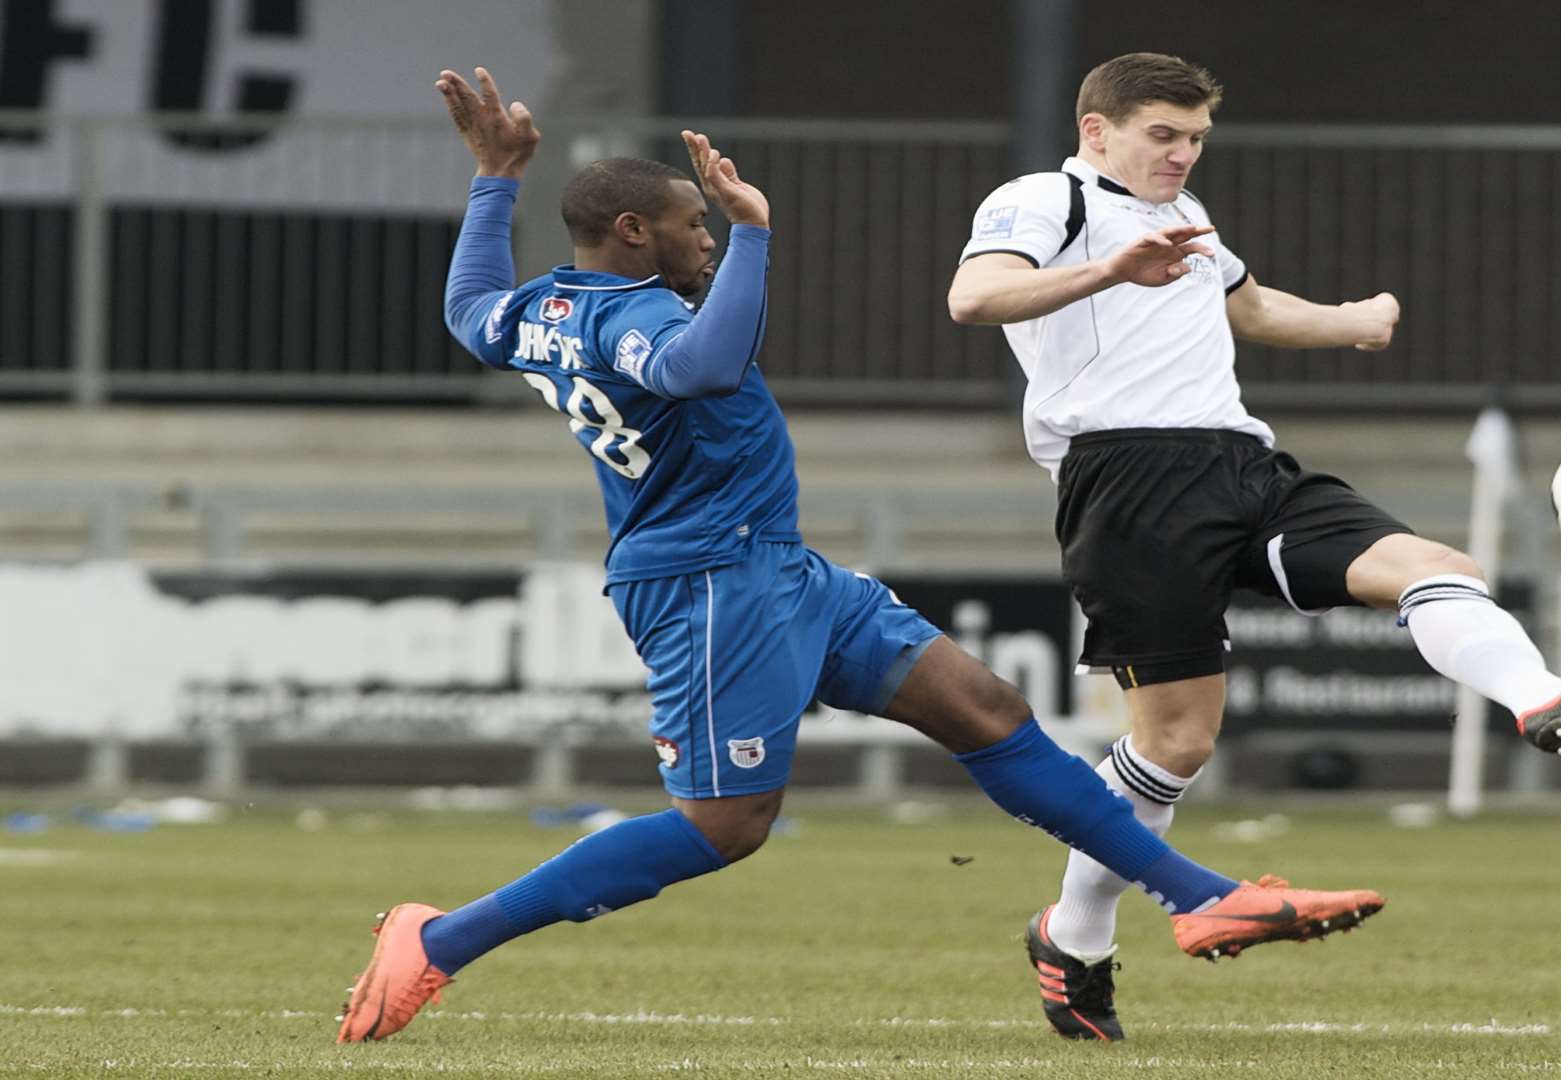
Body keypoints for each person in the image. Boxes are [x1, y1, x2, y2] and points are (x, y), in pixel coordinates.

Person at [334, 67, 1387, 1045]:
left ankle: (1200, 898)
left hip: (782, 569)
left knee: (986, 711)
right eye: (689, 226)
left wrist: (492, 182)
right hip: (707, 583)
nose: (702, 237)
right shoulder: (636, 320)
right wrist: (754, 236)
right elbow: (702, 369)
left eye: (711, 226)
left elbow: (468, 316)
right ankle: (438, 941)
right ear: (632, 232)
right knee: (724, 827)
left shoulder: (541, 309)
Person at [947, 51, 1561, 1041]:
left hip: (1243, 463)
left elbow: (1249, 305)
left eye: (1195, 139)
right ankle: (1076, 933)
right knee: (1176, 743)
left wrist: (1353, 323)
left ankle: (1544, 700)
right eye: (1164, 136)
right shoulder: (1045, 198)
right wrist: (1108, 268)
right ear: (1099, 130)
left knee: (1439, 567)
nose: (1183, 154)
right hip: (1125, 481)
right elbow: (973, 299)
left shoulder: (1187, 221)